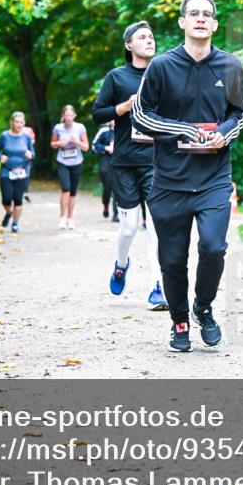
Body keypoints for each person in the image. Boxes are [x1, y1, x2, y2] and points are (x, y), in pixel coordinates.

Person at [132, 0, 243, 352]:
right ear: (182, 22)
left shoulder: (231, 66)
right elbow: (140, 115)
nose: (200, 18)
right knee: (172, 259)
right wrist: (182, 129)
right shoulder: (162, 66)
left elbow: (238, 114)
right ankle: (179, 321)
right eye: (193, 13)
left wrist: (224, 135)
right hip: (169, 179)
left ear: (214, 24)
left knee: (214, 247)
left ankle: (203, 306)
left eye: (207, 14)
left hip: (214, 176)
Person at [92, 21, 167, 310]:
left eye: (151, 36)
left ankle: (156, 287)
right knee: (129, 227)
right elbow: (97, 113)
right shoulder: (117, 77)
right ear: (128, 45)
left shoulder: (164, 74)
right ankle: (121, 263)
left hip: (157, 163)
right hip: (124, 162)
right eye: (142, 37)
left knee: (157, 227)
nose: (149, 40)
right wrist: (123, 108)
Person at [0, 111, 35, 234]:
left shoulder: (26, 137)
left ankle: (15, 223)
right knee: (6, 199)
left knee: (17, 199)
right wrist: (0, 157)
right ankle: (8, 212)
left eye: (21, 122)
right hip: (6, 172)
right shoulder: (5, 136)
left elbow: (33, 153)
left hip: (22, 172)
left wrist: (30, 155)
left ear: (24, 123)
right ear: (12, 122)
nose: (19, 125)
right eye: (16, 122)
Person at [51, 105, 89, 230]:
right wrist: (60, 143)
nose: (68, 118)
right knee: (65, 189)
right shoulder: (58, 128)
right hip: (62, 162)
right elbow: (53, 144)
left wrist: (76, 141)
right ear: (63, 116)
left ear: (74, 116)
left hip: (76, 162)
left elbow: (86, 147)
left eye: (70, 115)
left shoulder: (80, 127)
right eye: (66, 115)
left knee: (72, 192)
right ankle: (62, 218)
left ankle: (70, 218)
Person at [92, 121, 117, 221]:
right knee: (108, 187)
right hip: (106, 160)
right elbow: (94, 146)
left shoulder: (124, 130)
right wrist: (106, 148)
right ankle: (106, 205)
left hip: (119, 160)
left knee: (118, 187)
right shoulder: (104, 131)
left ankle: (116, 214)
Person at [22, 123, 36, 202]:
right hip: (17, 156)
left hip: (27, 156)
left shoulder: (29, 130)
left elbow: (33, 140)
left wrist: (27, 145)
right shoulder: (12, 132)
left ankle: (25, 193)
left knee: (26, 174)